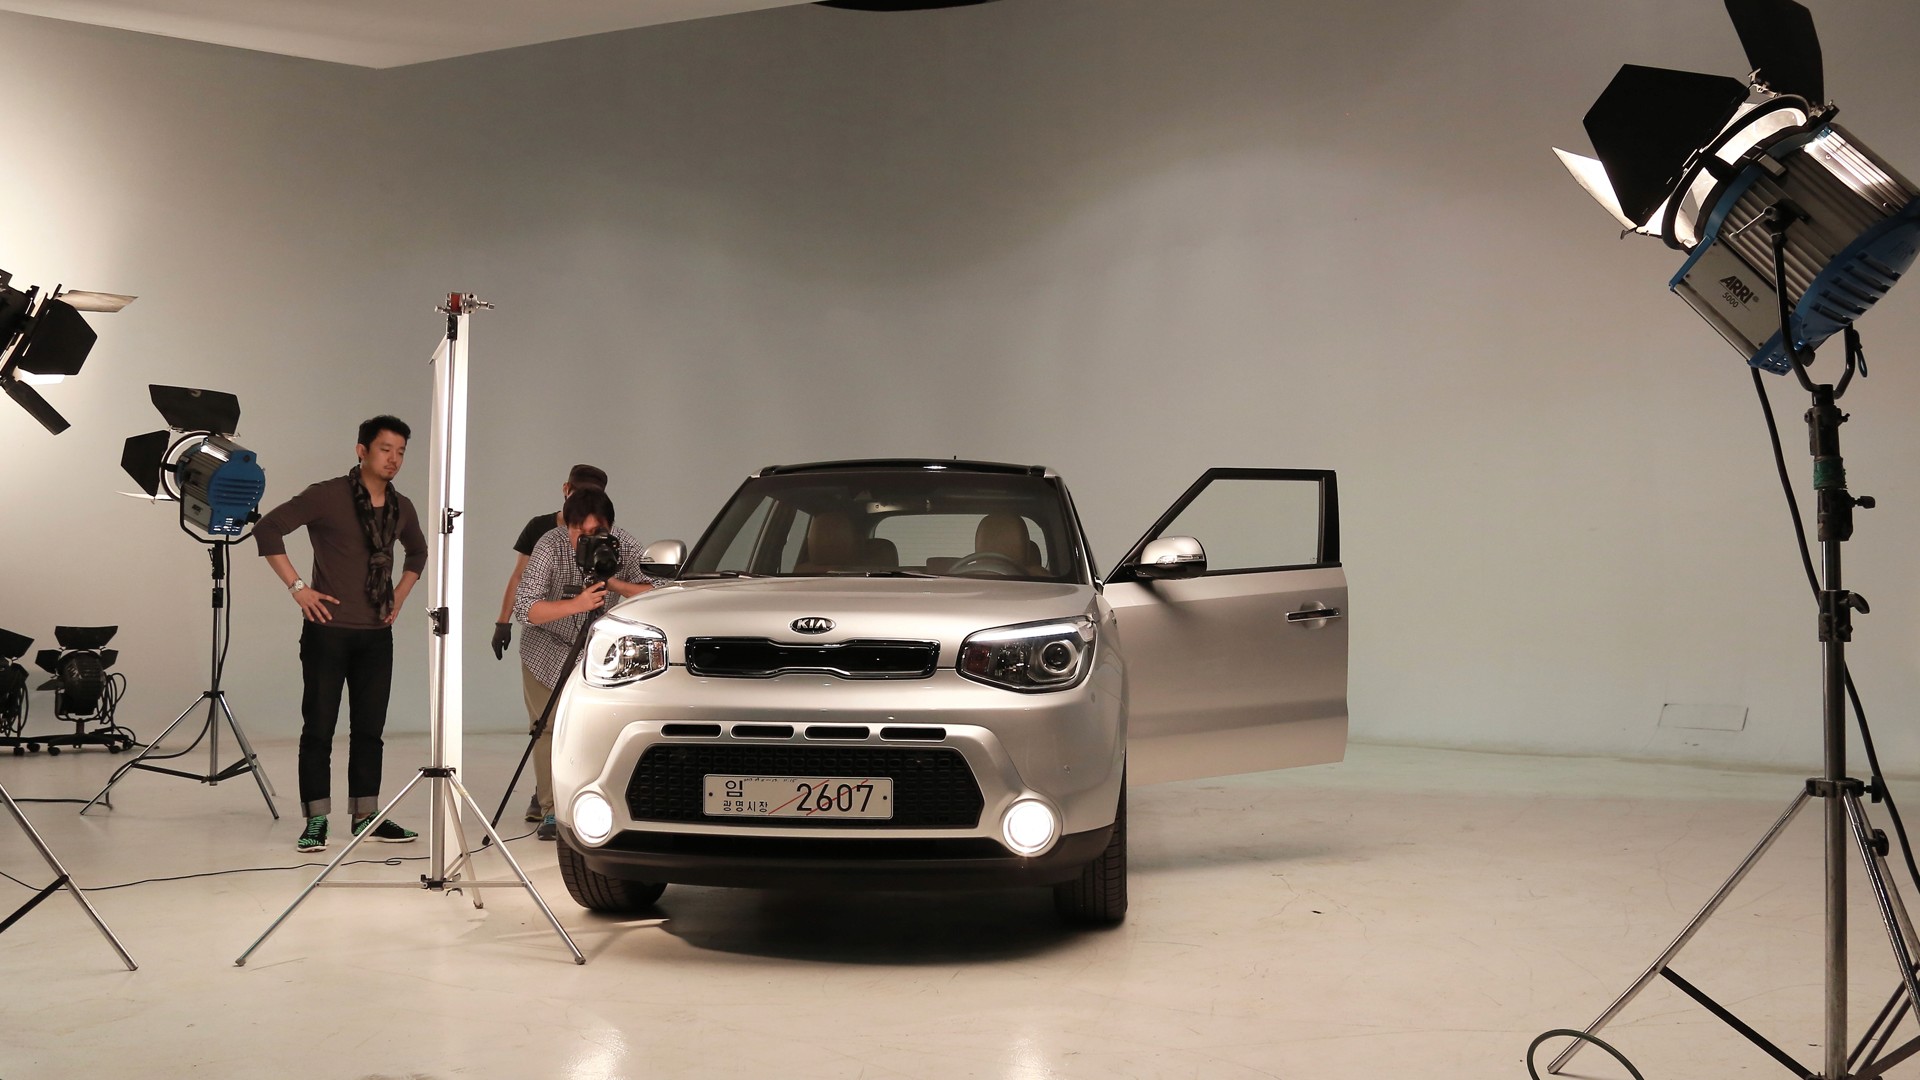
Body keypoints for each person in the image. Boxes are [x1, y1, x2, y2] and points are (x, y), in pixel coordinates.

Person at [256, 415, 428, 853]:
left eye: (401, 452)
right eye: (385, 449)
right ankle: (316, 819)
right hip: (327, 633)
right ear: (362, 451)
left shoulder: (401, 507)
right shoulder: (327, 495)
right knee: (319, 728)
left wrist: (399, 596)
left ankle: (365, 815)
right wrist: (298, 588)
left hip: (376, 635)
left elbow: (418, 552)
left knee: (370, 730)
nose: (394, 459)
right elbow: (268, 528)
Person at [514, 488, 659, 840]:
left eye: (598, 532)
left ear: (611, 527)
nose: (589, 540)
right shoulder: (549, 545)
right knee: (547, 728)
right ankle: (550, 809)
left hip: (601, 653)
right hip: (546, 649)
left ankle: (598, 804)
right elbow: (525, 607)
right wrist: (577, 604)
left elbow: (662, 589)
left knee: (597, 729)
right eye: (580, 532)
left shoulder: (624, 545)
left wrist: (615, 583)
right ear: (567, 527)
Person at [491, 464, 609, 823]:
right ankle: (547, 801)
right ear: (565, 489)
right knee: (546, 725)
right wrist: (502, 621)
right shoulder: (542, 531)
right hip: (545, 640)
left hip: (591, 647)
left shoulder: (609, 538)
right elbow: (520, 578)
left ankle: (572, 797)